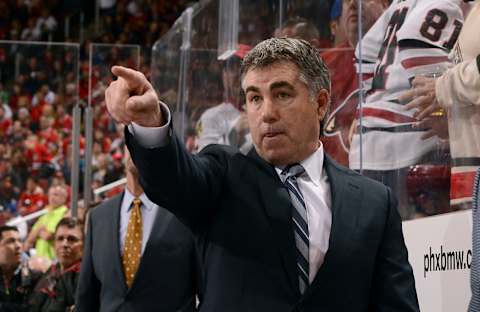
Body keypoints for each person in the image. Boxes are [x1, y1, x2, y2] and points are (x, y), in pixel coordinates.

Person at [106, 37, 419, 311]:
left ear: (321, 103)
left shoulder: (374, 202)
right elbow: (174, 178)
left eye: (282, 94)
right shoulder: (221, 174)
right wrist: (150, 120)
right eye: (255, 98)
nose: (266, 112)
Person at [348, 0, 467, 218]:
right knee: (428, 243)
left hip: (367, 147)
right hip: (411, 142)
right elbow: (416, 45)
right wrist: (441, 109)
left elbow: (362, 53)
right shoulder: (443, 2)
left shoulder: (399, 5)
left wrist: (372, 100)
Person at [76, 147, 201, 312]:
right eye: (132, 139)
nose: (138, 146)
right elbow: (87, 294)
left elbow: (206, 289)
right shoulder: (98, 216)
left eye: (145, 137)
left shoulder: (186, 213)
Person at [321, 0, 389, 166]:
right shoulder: (322, 64)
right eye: (346, 1)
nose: (352, 4)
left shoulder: (398, 58)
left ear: (387, 8)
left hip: (381, 175)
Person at [30, 217, 83, 312]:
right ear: (54, 243)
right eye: (60, 238)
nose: (64, 244)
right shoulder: (50, 272)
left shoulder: (86, 278)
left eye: (72, 239)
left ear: (84, 245)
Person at [0, 225, 42, 312]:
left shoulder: (34, 276)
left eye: (20, 241)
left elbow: (34, 308)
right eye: (10, 241)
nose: (18, 246)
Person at [24, 185, 69, 260]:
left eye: (56, 195)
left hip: (54, 259)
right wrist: (40, 230)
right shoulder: (45, 213)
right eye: (50, 195)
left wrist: (38, 231)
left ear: (64, 198)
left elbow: (48, 236)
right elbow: (30, 238)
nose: (52, 197)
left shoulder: (65, 213)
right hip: (40, 259)